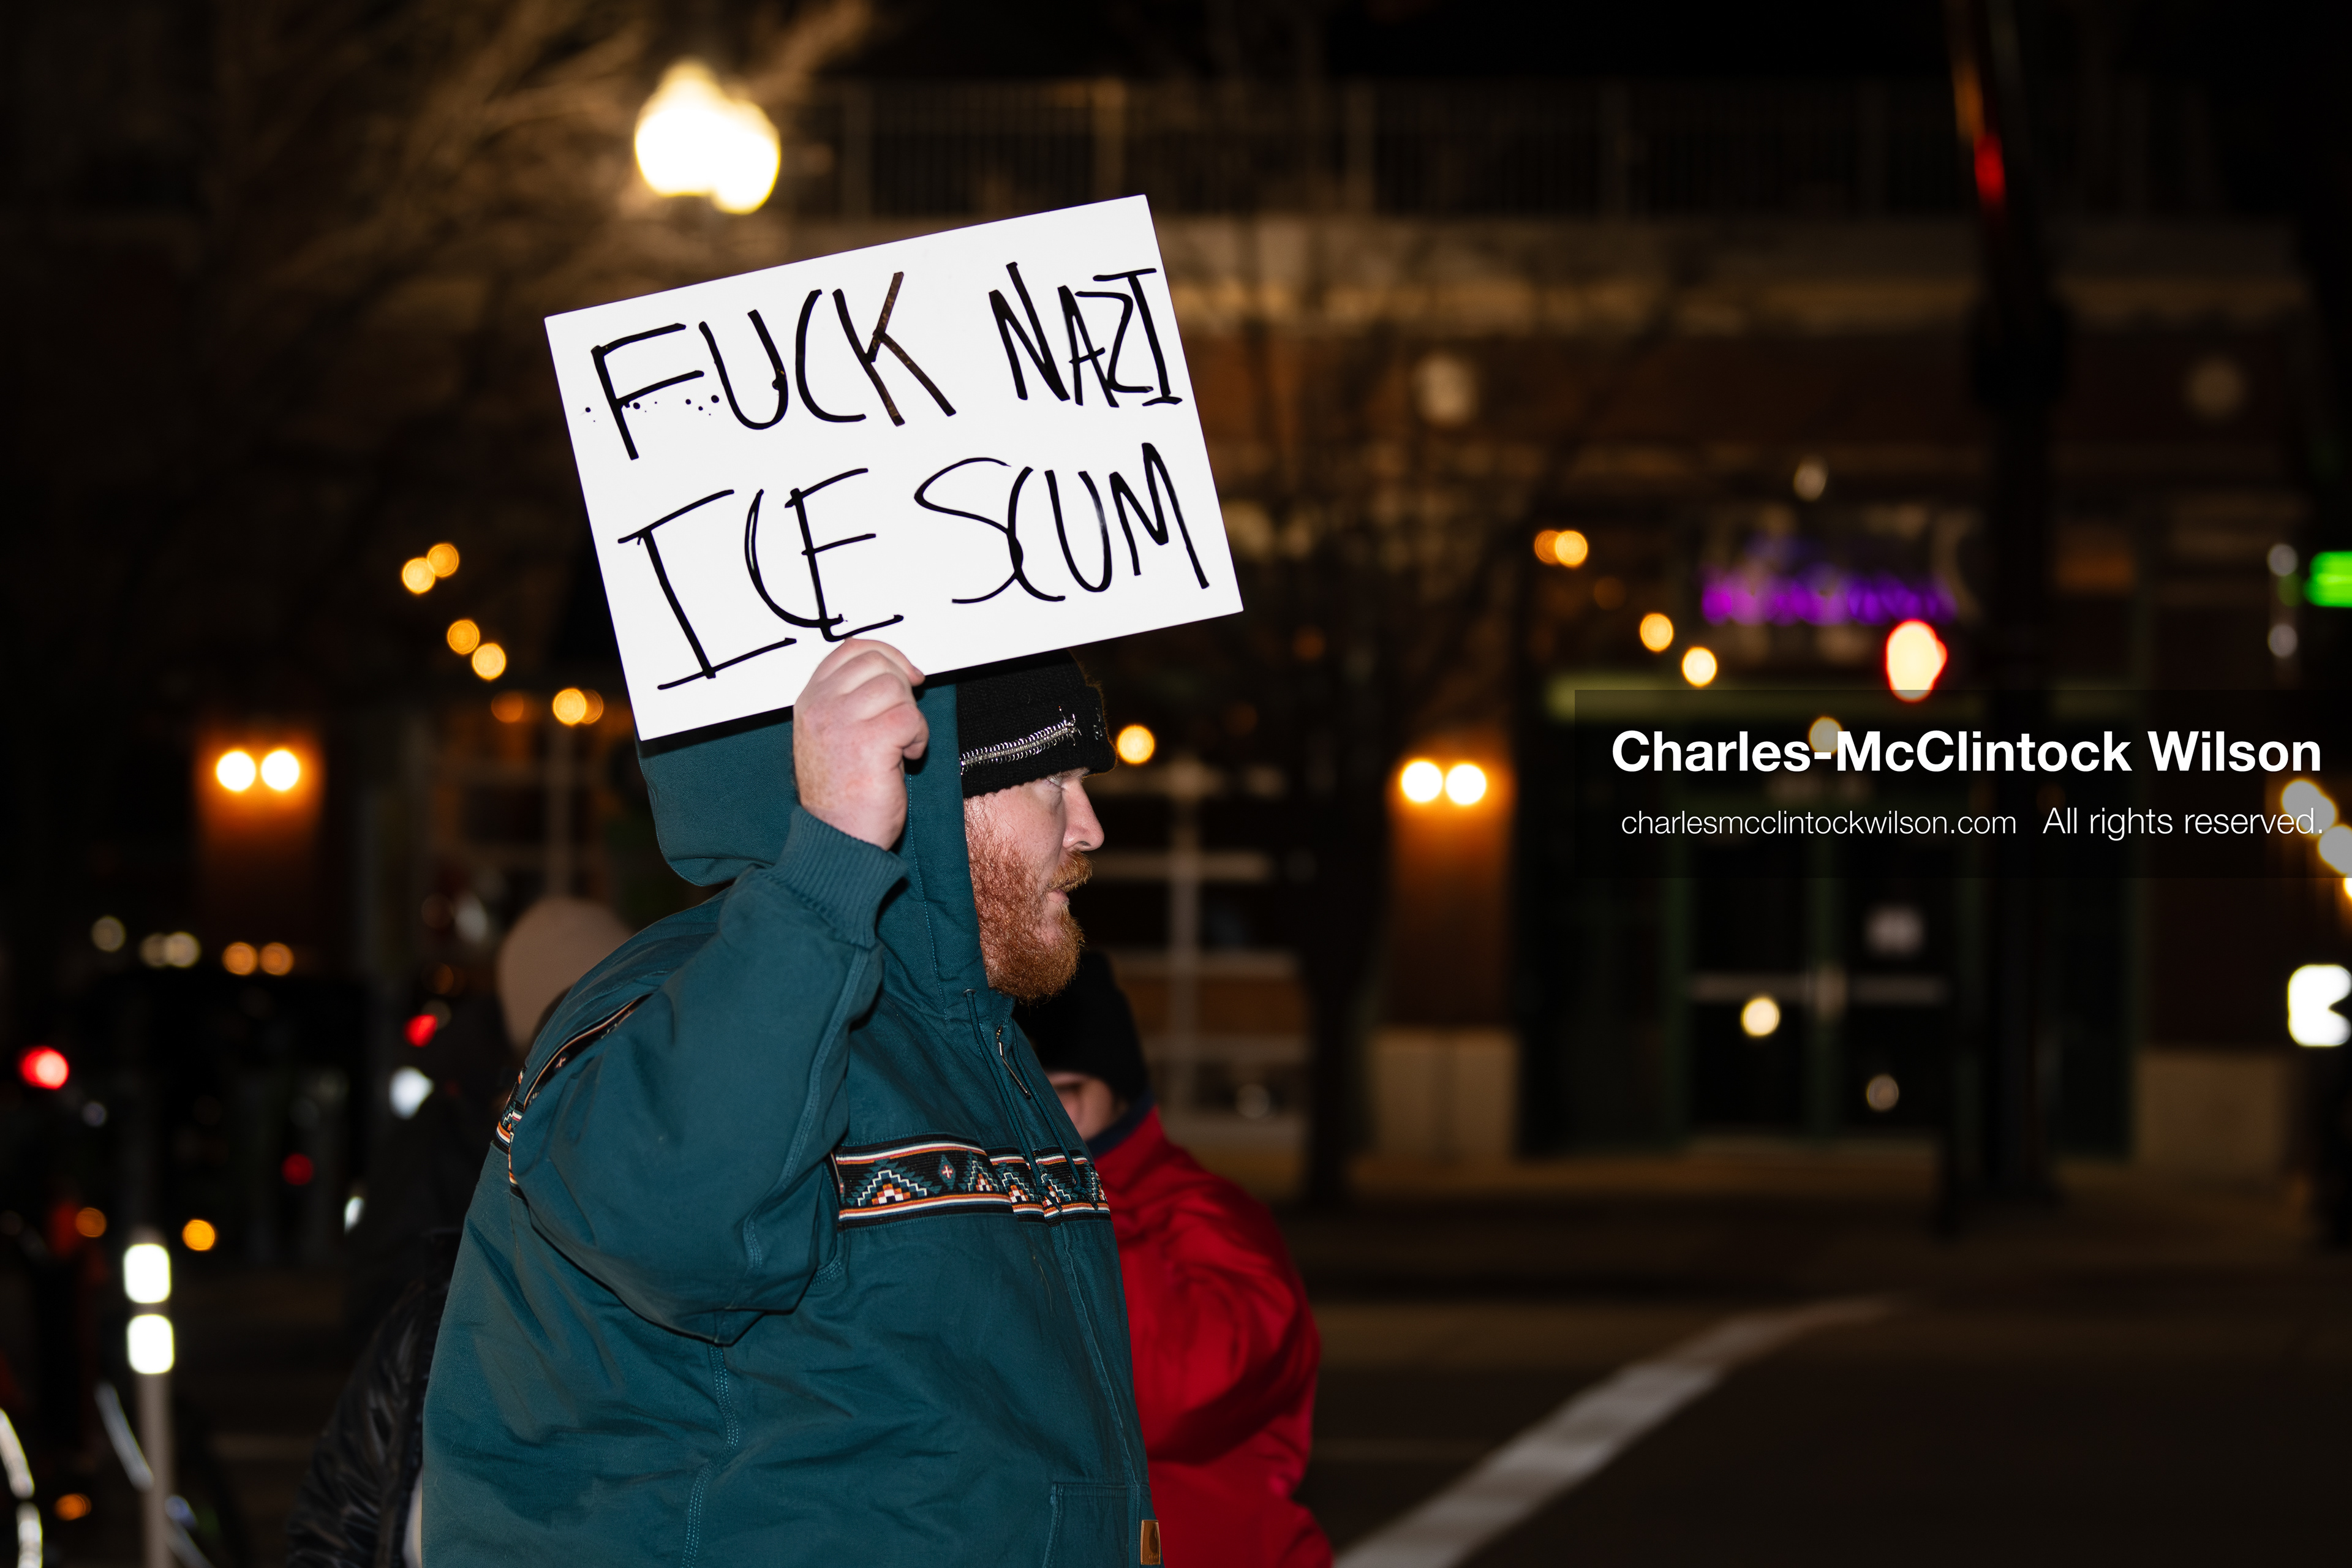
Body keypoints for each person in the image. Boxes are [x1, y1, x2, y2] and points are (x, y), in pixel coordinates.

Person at [422, 643, 1160, 1566]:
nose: (1087, 828)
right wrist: (836, 854)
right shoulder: (689, 1002)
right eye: (1052, 782)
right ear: (924, 794)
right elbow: (674, 1219)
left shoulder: (976, 1046)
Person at [1021, 950, 1331, 1568]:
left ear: (1120, 1087)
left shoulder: (1203, 1215)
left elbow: (1175, 1395)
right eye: (1027, 1099)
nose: (1046, 1124)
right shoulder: (995, 1206)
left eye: (1066, 1094)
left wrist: (1083, 1205)